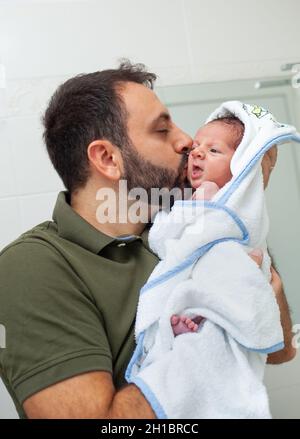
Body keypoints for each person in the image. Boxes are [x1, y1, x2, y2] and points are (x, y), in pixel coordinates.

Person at [0, 61, 295, 419]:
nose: (187, 141)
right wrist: (209, 338)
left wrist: (243, 207)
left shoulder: (189, 228)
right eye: (161, 129)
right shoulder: (35, 266)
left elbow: (278, 347)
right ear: (108, 158)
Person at [171, 115, 244, 336]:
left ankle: (194, 316)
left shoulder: (209, 191)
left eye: (213, 151)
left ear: (240, 163)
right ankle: (196, 317)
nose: (197, 152)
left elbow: (181, 228)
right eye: (195, 146)